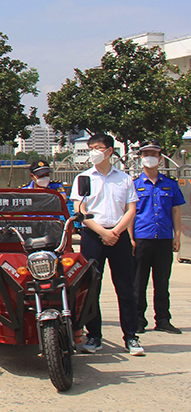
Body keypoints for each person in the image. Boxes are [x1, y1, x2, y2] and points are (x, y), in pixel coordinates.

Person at [69, 134, 143, 356]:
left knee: (125, 288)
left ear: (110, 151)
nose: (94, 152)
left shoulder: (124, 179)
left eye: (98, 148)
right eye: (91, 148)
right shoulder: (83, 178)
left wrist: (115, 232)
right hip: (93, 235)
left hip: (118, 236)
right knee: (91, 288)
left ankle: (131, 336)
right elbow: (79, 210)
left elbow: (131, 209)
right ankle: (94, 336)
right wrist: (102, 232)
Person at [132, 141, 185, 335]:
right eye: (146, 154)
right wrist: (130, 238)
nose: (150, 157)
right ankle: (138, 320)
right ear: (140, 158)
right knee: (139, 282)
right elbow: (130, 212)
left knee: (162, 282)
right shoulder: (134, 185)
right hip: (141, 238)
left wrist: (177, 236)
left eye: (153, 154)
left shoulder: (170, 184)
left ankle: (163, 319)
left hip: (163, 238)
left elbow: (176, 211)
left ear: (160, 158)